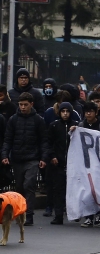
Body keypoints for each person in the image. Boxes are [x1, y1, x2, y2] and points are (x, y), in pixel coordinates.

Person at [1, 93, 51, 226]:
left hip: (32, 159)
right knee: (19, 188)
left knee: (29, 185)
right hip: (17, 159)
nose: (22, 107)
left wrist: (43, 158)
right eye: (20, 104)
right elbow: (8, 140)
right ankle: (19, 213)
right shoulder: (13, 120)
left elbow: (43, 141)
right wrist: (5, 155)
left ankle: (29, 215)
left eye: (25, 105)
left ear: (31, 104)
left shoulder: (38, 120)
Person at [47, 103, 77, 226]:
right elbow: (49, 142)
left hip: (73, 163)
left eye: (67, 111)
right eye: (63, 111)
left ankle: (75, 213)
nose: (65, 113)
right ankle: (58, 216)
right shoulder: (54, 125)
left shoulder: (76, 126)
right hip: (58, 163)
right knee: (58, 190)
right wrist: (52, 156)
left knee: (74, 190)